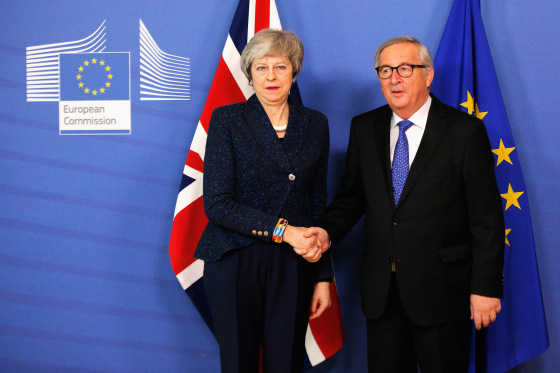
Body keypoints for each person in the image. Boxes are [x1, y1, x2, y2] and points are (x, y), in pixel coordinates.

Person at [300, 36, 505, 372]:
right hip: (382, 294)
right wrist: (325, 232)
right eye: (385, 70)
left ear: (428, 75)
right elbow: (351, 199)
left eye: (405, 68)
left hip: (442, 292)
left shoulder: (463, 132)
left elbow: (487, 219)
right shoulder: (365, 128)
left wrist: (485, 288)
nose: (394, 78)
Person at [194, 29, 333, 373]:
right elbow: (217, 203)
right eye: (261, 67)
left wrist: (323, 278)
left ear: (294, 72)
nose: (271, 76)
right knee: (239, 363)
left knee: (286, 364)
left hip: (294, 265)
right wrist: (284, 232)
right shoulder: (227, 120)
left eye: (280, 67)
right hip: (235, 260)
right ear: (250, 73)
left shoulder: (315, 123)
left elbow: (317, 203)